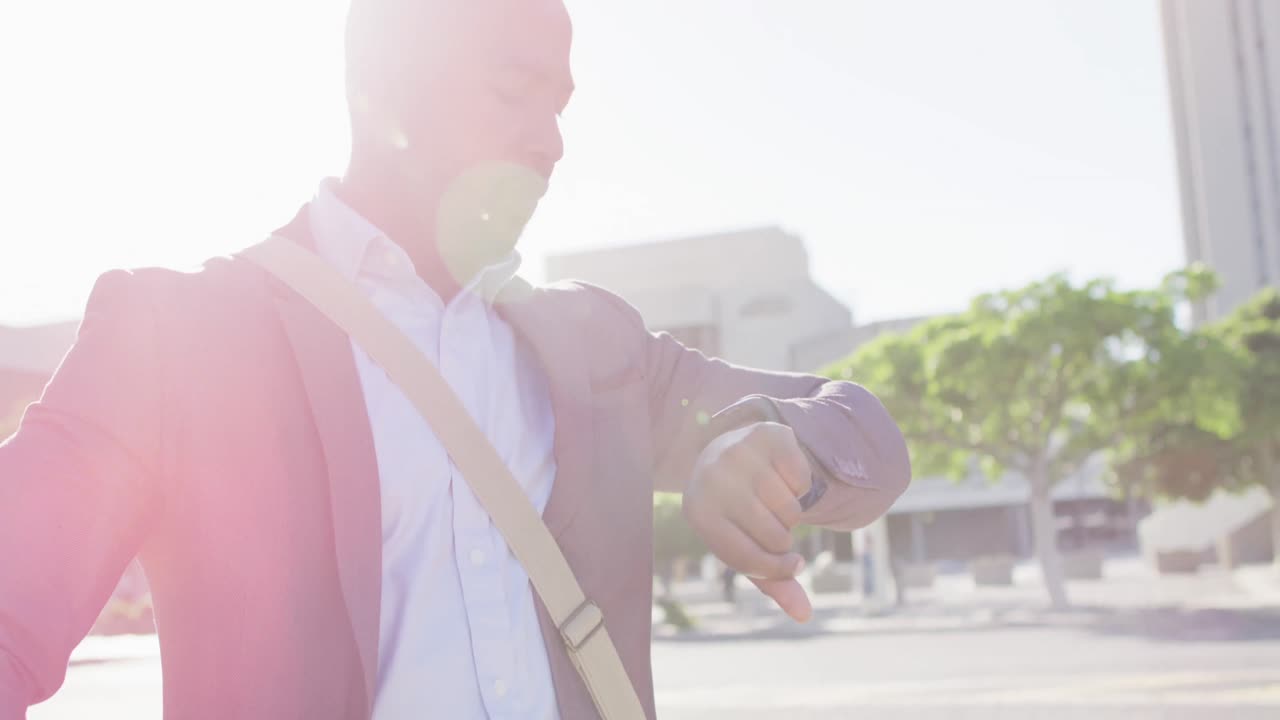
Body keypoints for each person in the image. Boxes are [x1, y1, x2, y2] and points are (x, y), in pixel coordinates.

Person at [0, 1, 912, 718]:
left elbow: (864, 427)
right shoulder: (175, 333)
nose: (549, 140)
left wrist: (765, 444)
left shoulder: (596, 345)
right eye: (513, 91)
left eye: (558, 105)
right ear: (384, 82)